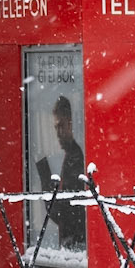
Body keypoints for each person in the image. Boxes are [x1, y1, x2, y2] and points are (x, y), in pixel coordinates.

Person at [35, 94, 86, 250]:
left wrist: (44, 172)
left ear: (70, 125)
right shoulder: (72, 155)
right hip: (74, 239)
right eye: (56, 127)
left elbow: (60, 212)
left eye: (61, 126)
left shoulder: (75, 158)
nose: (57, 133)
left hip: (74, 240)